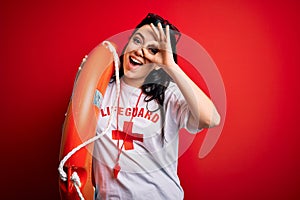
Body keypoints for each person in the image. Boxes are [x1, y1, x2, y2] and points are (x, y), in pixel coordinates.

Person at [92, 13, 220, 200]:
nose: (140, 51)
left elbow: (211, 118)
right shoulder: (101, 90)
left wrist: (170, 66)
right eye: (137, 40)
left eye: (153, 50)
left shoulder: (169, 95)